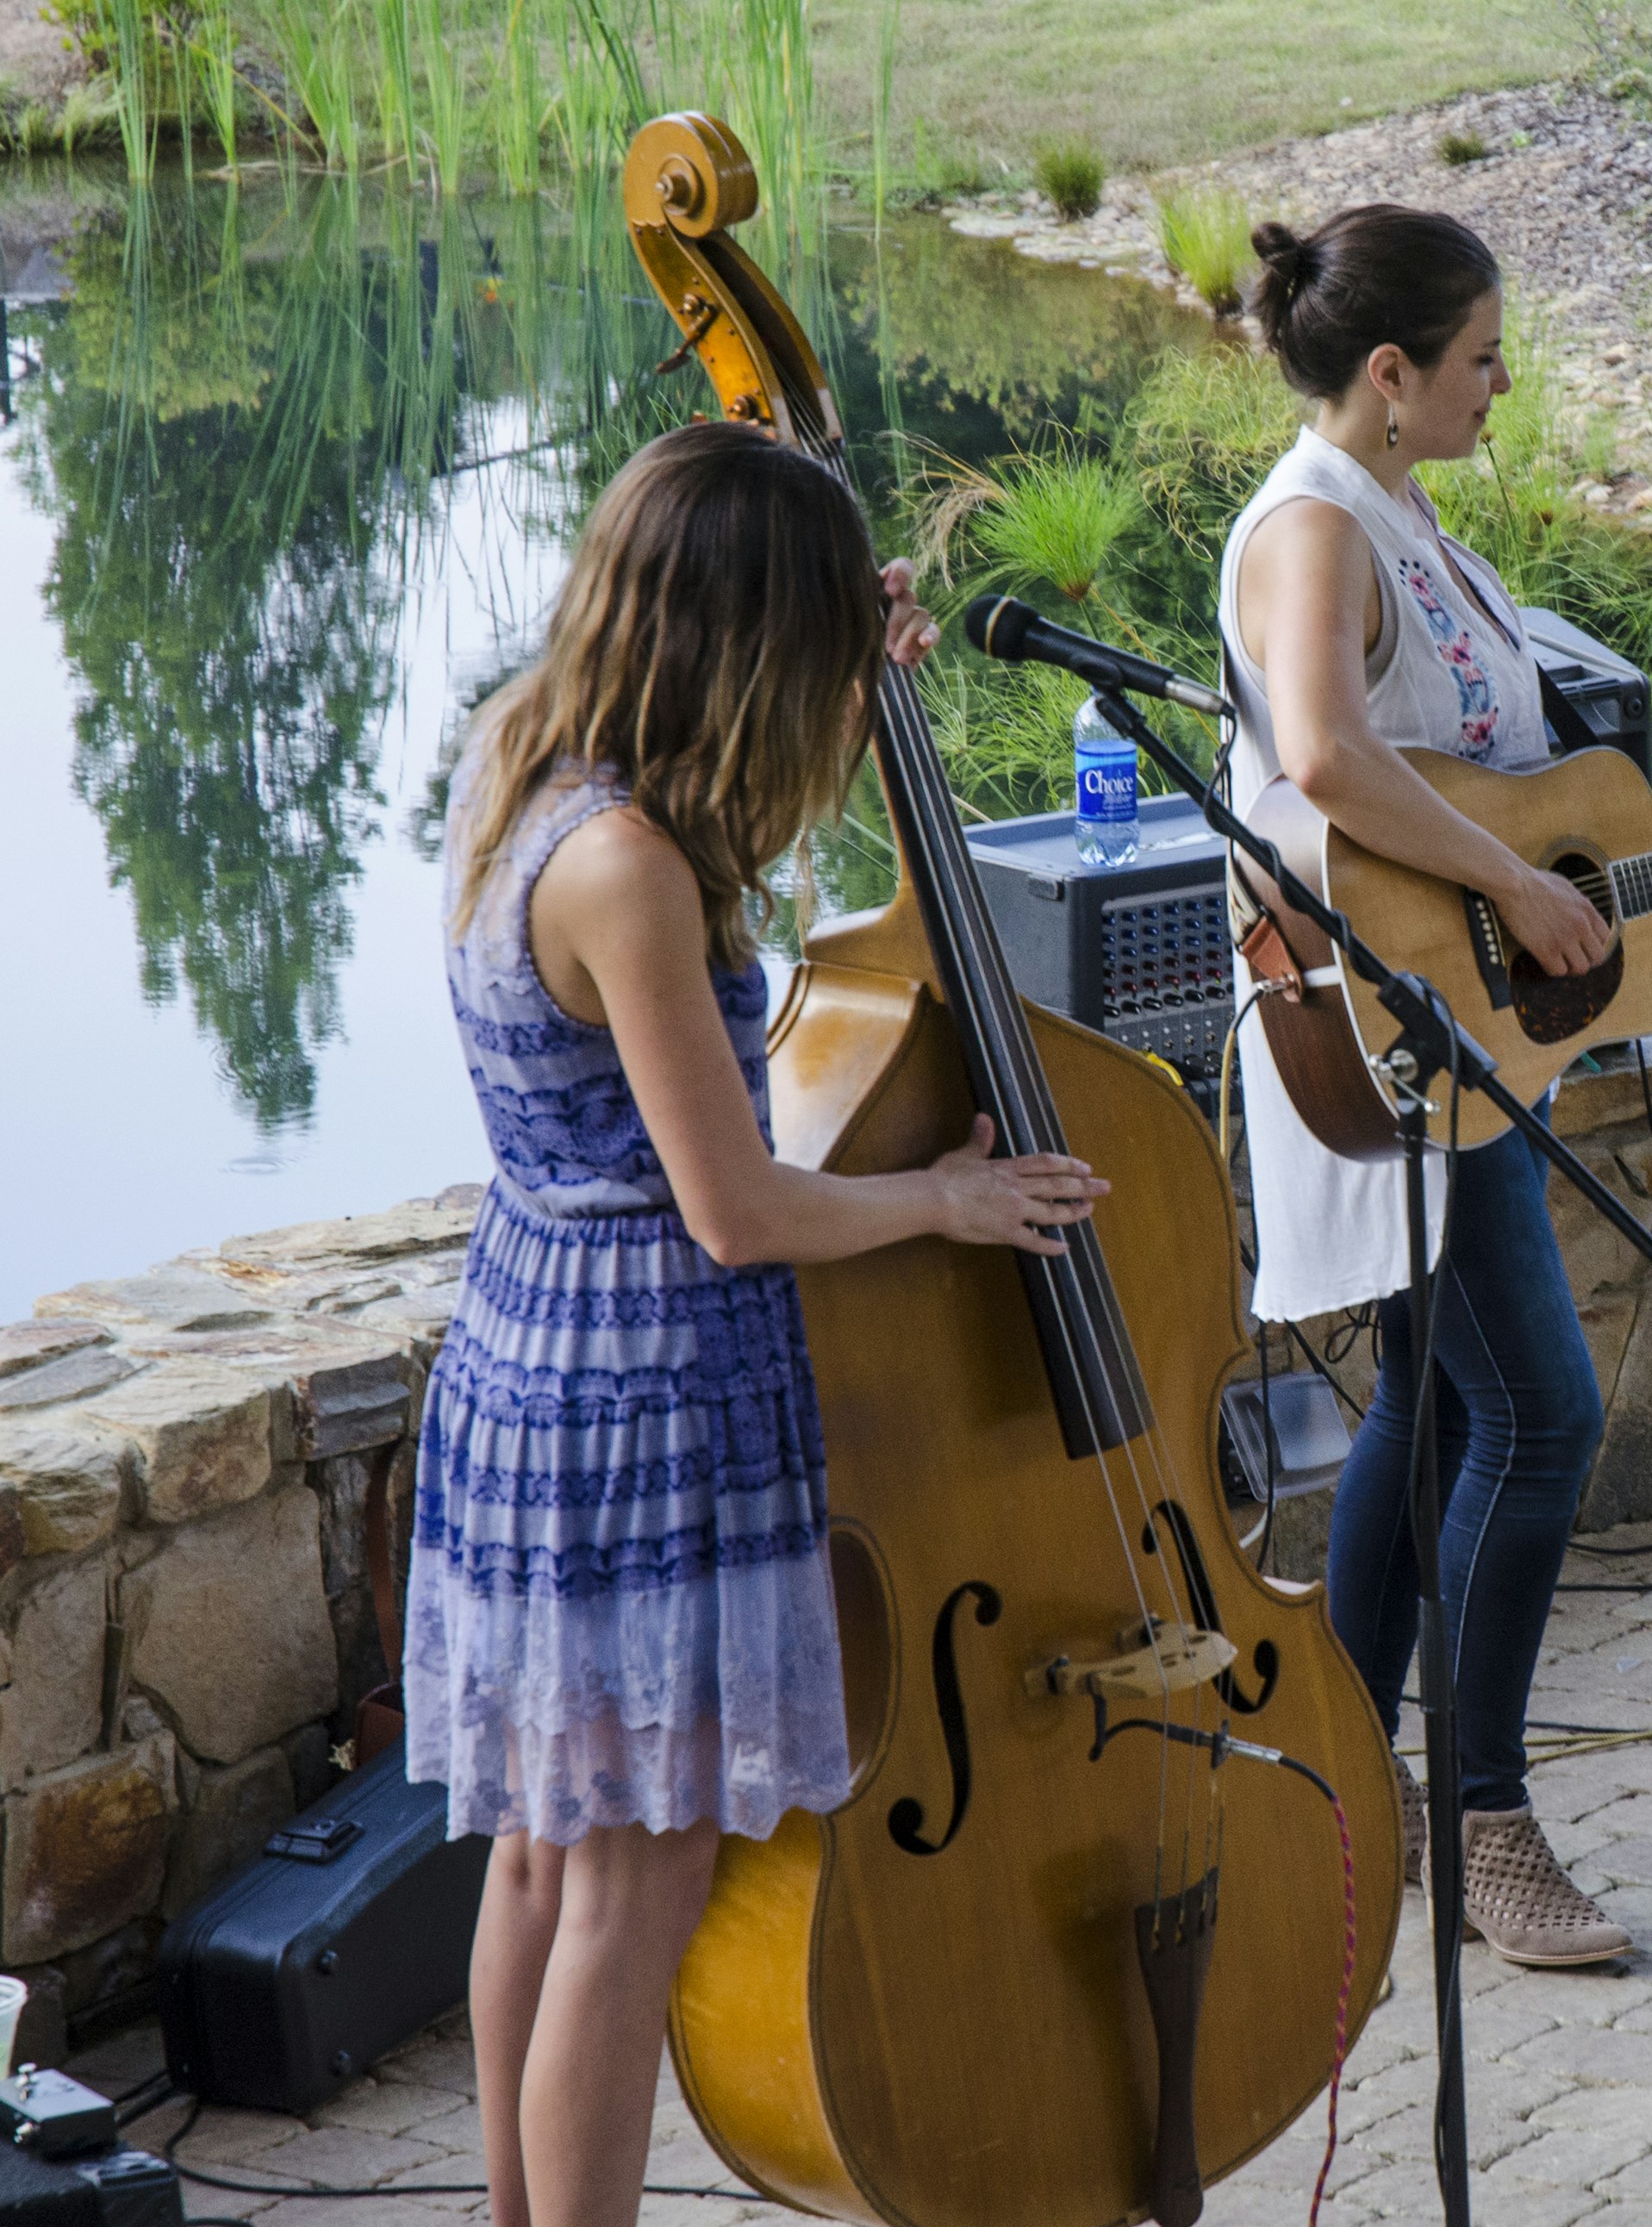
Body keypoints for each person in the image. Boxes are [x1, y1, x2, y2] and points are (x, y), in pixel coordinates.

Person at [410, 421, 1102, 2227]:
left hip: (529, 1340)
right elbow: (738, 1210)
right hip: (646, 1383)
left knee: (547, 1865)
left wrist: (855, 685)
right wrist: (949, 1199)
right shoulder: (629, 870)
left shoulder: (526, 755)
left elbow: (748, 864)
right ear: (742, 639)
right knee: (632, 1893)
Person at [1220, 205, 1652, 1965]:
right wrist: (1510, 887)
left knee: (1434, 1401)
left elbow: (1513, 810)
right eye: (1485, 355)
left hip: (1460, 1024)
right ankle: (1480, 1816)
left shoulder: (1402, 513)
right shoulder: (1310, 528)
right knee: (1546, 1410)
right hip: (1377, 1024)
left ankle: (1336, 1787)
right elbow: (1331, 759)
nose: (1507, 383)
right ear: (1394, 372)